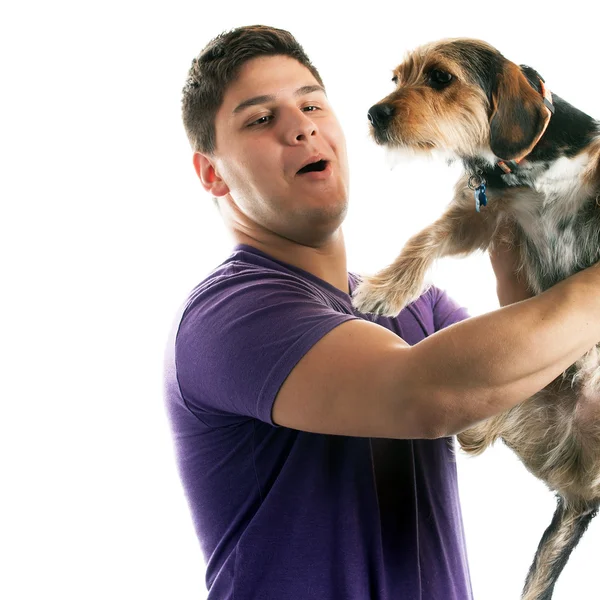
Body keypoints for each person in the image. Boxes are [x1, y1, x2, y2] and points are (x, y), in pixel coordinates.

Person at [163, 25, 600, 600]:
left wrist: (526, 211)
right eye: (261, 119)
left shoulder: (413, 310)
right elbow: (425, 395)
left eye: (312, 104)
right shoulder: (230, 315)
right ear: (212, 172)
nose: (301, 126)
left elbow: (525, 361)